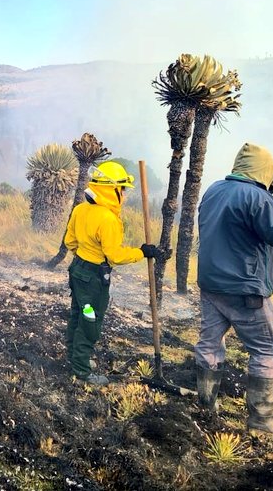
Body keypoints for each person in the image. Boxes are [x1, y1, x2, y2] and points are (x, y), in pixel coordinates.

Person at [193, 143, 273, 434]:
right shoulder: (258, 197)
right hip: (245, 289)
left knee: (210, 343)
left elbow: (237, 224)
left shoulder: (215, 190)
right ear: (264, 171)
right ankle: (261, 419)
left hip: (211, 284)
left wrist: (266, 197)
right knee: (266, 349)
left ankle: (205, 406)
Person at [63, 161, 165, 386]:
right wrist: (141, 252)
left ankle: (73, 358)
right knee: (90, 320)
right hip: (94, 280)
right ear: (112, 190)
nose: (125, 195)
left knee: (77, 314)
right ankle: (82, 372)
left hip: (78, 271)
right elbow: (115, 256)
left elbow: (70, 241)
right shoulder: (108, 219)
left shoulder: (80, 209)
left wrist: (83, 257)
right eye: (123, 190)